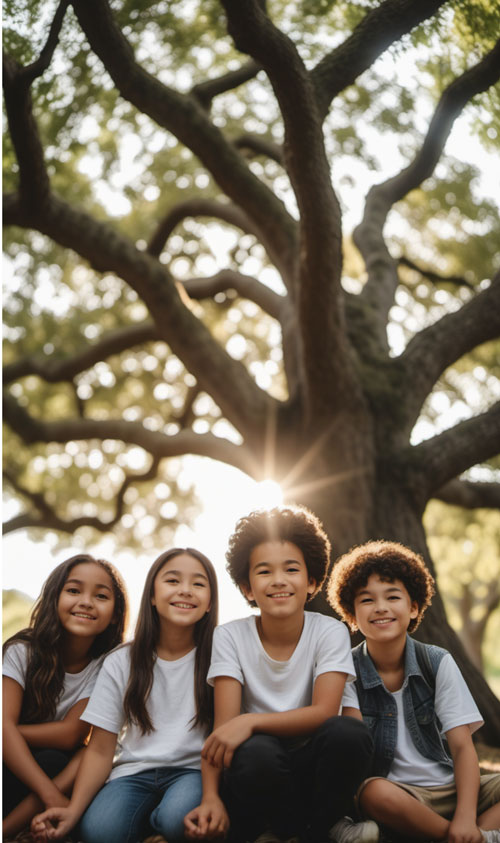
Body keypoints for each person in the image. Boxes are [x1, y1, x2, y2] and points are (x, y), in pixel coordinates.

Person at [185, 505, 374, 843]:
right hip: (259, 772)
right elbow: (224, 733)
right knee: (254, 752)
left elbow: (325, 712)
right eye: (263, 571)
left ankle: (312, 830)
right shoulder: (229, 636)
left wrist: (252, 720)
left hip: (315, 767)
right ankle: (288, 830)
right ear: (247, 588)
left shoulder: (329, 631)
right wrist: (211, 796)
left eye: (291, 569)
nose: (278, 581)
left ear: (311, 580)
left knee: (348, 734)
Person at [31, 547, 227, 843]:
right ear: (151, 595)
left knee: (179, 821)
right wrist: (73, 810)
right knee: (99, 832)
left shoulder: (220, 655)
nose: (185, 591)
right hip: (132, 774)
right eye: (172, 581)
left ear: (210, 602)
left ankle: (159, 827)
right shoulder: (122, 660)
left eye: (198, 584)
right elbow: (99, 749)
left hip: (191, 772)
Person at [327, 539, 500, 843]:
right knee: (374, 793)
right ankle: (476, 838)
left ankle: (462, 834)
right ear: (352, 615)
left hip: (450, 788)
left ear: (414, 606)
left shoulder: (436, 662)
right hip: (398, 796)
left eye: (392, 597)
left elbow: (462, 748)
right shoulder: (346, 670)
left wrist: (464, 815)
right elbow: (355, 746)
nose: (380, 607)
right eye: (366, 600)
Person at [2, 553, 128, 839]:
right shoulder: (22, 650)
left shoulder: (107, 665)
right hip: (7, 761)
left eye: (101, 596)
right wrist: (53, 798)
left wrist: (9, 731)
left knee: (78, 756)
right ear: (54, 598)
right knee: (45, 759)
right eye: (73, 590)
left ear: (116, 615)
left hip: (53, 764)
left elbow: (70, 734)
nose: (86, 601)